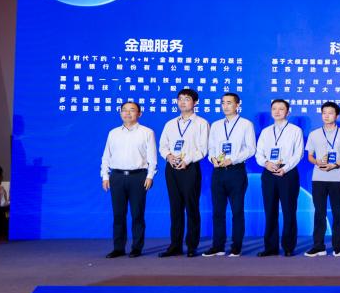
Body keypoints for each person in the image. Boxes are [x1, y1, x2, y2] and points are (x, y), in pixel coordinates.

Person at [99, 100, 156, 258]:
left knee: (137, 214)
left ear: (139, 113)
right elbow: (106, 156)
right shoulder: (113, 133)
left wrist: (150, 176)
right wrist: (105, 176)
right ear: (120, 113)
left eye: (132, 110)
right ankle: (118, 248)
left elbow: (152, 157)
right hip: (116, 176)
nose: (127, 113)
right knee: (118, 214)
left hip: (138, 177)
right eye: (124, 110)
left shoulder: (147, 132)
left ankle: (137, 247)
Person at [203, 91, 256, 257]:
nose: (225, 106)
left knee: (237, 211)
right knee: (217, 211)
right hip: (218, 171)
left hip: (236, 171)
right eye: (223, 103)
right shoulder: (216, 125)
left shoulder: (246, 124)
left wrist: (232, 160)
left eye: (229, 103)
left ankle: (236, 246)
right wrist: (213, 158)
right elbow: (211, 147)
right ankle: (218, 246)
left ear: (237, 105)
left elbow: (251, 149)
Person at [157, 88, 209, 257]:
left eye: (186, 99)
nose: (182, 102)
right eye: (180, 99)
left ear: (195, 102)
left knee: (191, 207)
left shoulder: (201, 123)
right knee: (175, 207)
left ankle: (192, 245)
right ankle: (175, 245)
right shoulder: (170, 124)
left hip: (190, 168)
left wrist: (186, 160)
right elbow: (163, 145)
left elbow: (203, 149)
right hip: (172, 168)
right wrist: (169, 157)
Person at [255, 99, 304, 257]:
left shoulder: (295, 130)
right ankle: (270, 247)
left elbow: (298, 154)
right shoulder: (266, 131)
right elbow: (259, 153)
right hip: (269, 173)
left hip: (288, 173)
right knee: (270, 210)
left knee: (289, 211)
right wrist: (266, 163)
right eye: (274, 108)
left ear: (288, 112)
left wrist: (285, 168)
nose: (277, 111)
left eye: (281, 109)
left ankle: (288, 247)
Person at [305, 102, 340, 257]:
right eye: (324, 113)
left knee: (337, 213)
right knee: (319, 213)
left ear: (337, 115)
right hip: (318, 178)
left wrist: (335, 165)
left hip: (337, 179)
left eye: (330, 113)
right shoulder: (314, 134)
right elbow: (309, 156)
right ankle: (318, 246)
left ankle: (338, 247)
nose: (326, 116)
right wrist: (317, 162)